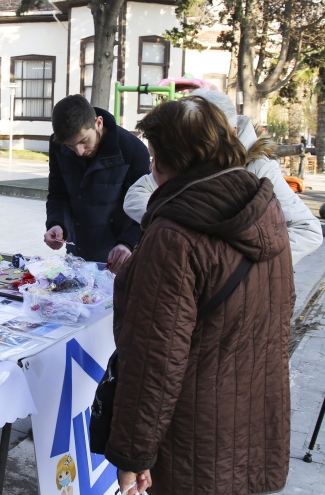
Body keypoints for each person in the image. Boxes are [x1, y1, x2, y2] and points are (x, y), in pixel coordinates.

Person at [108, 96, 293, 495]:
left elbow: (154, 360)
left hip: (193, 441)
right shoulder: (267, 210)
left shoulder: (174, 236)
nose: (151, 168)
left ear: (177, 161)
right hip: (254, 424)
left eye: (155, 157)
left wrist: (133, 456)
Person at [123, 88, 322, 265]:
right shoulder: (189, 159)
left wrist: (242, 265)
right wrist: (178, 225)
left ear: (231, 132)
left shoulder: (259, 166)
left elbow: (308, 230)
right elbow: (137, 193)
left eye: (206, 133)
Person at [44, 95, 150, 271]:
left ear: (98, 123)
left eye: (84, 141)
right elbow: (58, 192)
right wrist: (56, 223)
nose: (78, 151)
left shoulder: (134, 150)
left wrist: (128, 242)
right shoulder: (57, 144)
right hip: (76, 251)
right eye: (70, 146)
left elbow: (145, 209)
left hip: (118, 255)